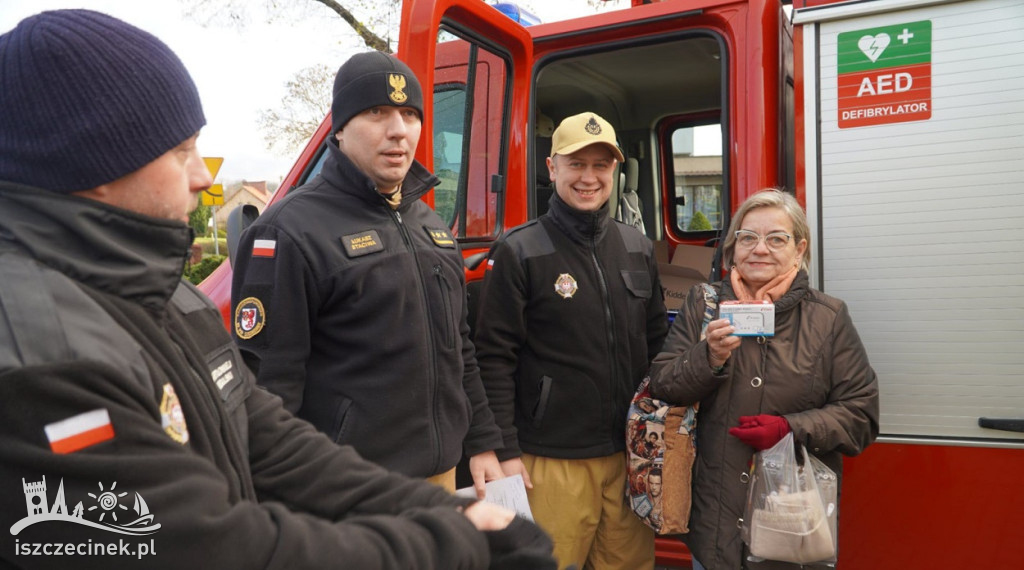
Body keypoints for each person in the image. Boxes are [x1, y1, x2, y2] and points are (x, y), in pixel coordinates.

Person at [0, 10, 556, 569]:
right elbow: (200, 544)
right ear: (98, 160)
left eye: (410, 114)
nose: (203, 177)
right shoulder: (36, 352)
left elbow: (262, 430)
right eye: (181, 150)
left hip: (401, 484)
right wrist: (452, 545)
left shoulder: (172, 298)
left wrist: (444, 512)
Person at [230, 51, 504, 496]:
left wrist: (484, 440)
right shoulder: (288, 230)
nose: (398, 130)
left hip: (441, 479)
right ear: (340, 128)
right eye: (377, 112)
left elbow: (459, 348)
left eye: (410, 115)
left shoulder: (431, 226)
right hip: (349, 490)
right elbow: (268, 391)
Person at [473, 112, 669, 570]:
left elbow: (659, 344)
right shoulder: (520, 250)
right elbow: (493, 359)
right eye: (576, 164)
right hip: (550, 461)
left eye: (601, 165)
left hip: (630, 458)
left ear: (615, 170)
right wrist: (505, 450)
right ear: (552, 167)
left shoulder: (637, 247)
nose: (589, 177)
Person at [648, 189, 879, 570]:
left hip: (791, 524)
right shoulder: (703, 303)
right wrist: (709, 358)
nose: (760, 249)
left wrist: (790, 429)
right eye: (748, 237)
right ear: (732, 247)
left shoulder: (828, 317)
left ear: (799, 249)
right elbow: (662, 385)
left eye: (776, 239)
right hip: (714, 524)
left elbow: (861, 417)